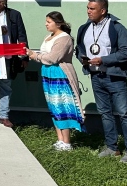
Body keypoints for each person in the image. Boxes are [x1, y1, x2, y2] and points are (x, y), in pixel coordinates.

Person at [76, 0, 127, 163]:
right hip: (96, 76)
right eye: (88, 8)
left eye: (92, 9)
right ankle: (112, 147)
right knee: (104, 113)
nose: (88, 11)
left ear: (103, 10)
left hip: (115, 77)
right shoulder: (84, 28)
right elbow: (79, 48)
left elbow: (126, 52)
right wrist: (82, 58)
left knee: (124, 114)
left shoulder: (117, 28)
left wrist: (104, 59)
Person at [26, 12, 85, 151]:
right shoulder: (49, 37)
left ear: (58, 23)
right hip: (48, 73)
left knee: (61, 105)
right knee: (53, 106)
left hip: (59, 74)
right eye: (46, 21)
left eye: (49, 22)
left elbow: (53, 58)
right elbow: (45, 56)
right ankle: (60, 139)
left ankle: (67, 141)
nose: (46, 24)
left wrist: (34, 56)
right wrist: (35, 55)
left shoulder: (64, 38)